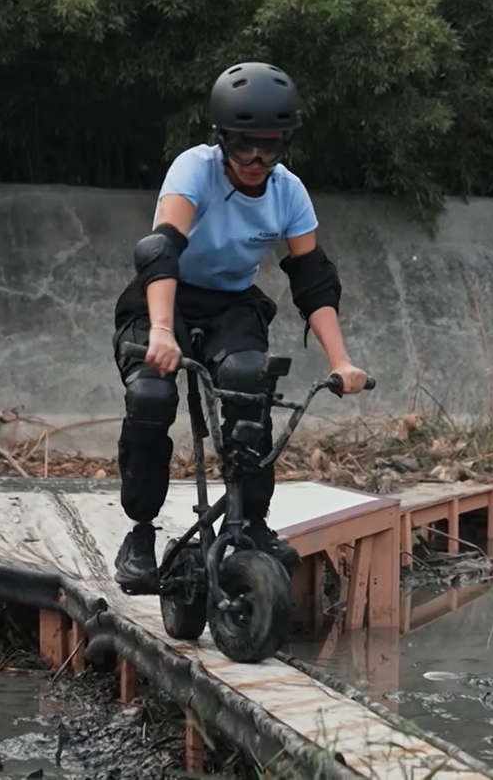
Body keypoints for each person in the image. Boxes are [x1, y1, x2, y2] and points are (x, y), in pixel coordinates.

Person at [110, 61, 370, 592]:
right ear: (221, 138)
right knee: (152, 398)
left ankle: (250, 522)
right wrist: (161, 331)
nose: (256, 160)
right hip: (166, 297)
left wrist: (341, 361)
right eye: (244, 145)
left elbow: (313, 280)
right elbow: (162, 252)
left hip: (232, 305)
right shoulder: (193, 170)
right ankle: (139, 532)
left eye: (270, 147)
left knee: (251, 381)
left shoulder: (289, 192)